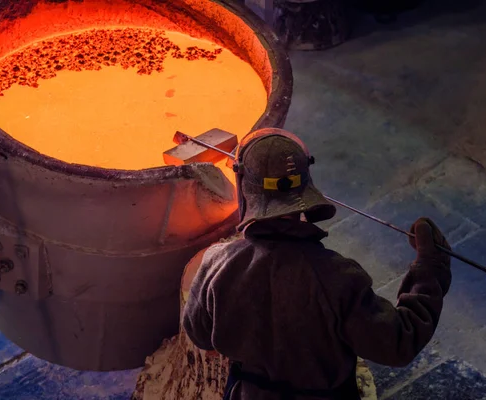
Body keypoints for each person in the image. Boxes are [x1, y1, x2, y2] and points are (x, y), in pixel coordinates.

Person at [182, 128, 452, 400]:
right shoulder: (339, 277)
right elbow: (398, 343)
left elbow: (200, 335)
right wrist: (431, 269)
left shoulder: (216, 264)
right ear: (305, 186)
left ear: (244, 188)